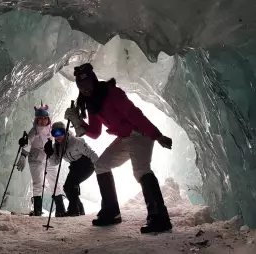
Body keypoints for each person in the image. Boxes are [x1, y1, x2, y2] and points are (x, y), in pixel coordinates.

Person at [64, 63, 174, 233]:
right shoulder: (92, 103)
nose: (84, 87)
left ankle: (160, 217)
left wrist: (157, 135)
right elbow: (95, 133)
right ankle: (111, 212)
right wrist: (78, 121)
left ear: (93, 80)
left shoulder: (112, 93)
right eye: (80, 85)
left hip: (139, 134)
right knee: (101, 164)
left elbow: (134, 115)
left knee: (141, 170)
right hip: (125, 137)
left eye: (87, 83)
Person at [16, 103, 66, 217]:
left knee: (55, 182)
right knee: (38, 183)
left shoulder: (51, 130)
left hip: (49, 158)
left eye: (44, 118)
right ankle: (38, 210)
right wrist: (23, 155)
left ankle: (60, 209)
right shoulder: (34, 131)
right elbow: (28, 142)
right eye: (40, 118)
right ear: (36, 120)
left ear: (48, 118)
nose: (42, 121)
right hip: (35, 159)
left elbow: (60, 139)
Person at [44, 121, 99, 216]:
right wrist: (50, 153)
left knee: (71, 185)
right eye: (54, 133)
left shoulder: (76, 141)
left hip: (86, 164)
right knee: (67, 187)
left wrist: (100, 165)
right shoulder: (56, 147)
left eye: (60, 132)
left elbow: (90, 153)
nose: (58, 136)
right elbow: (54, 163)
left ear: (65, 131)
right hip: (74, 166)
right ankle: (79, 209)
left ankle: (74, 210)